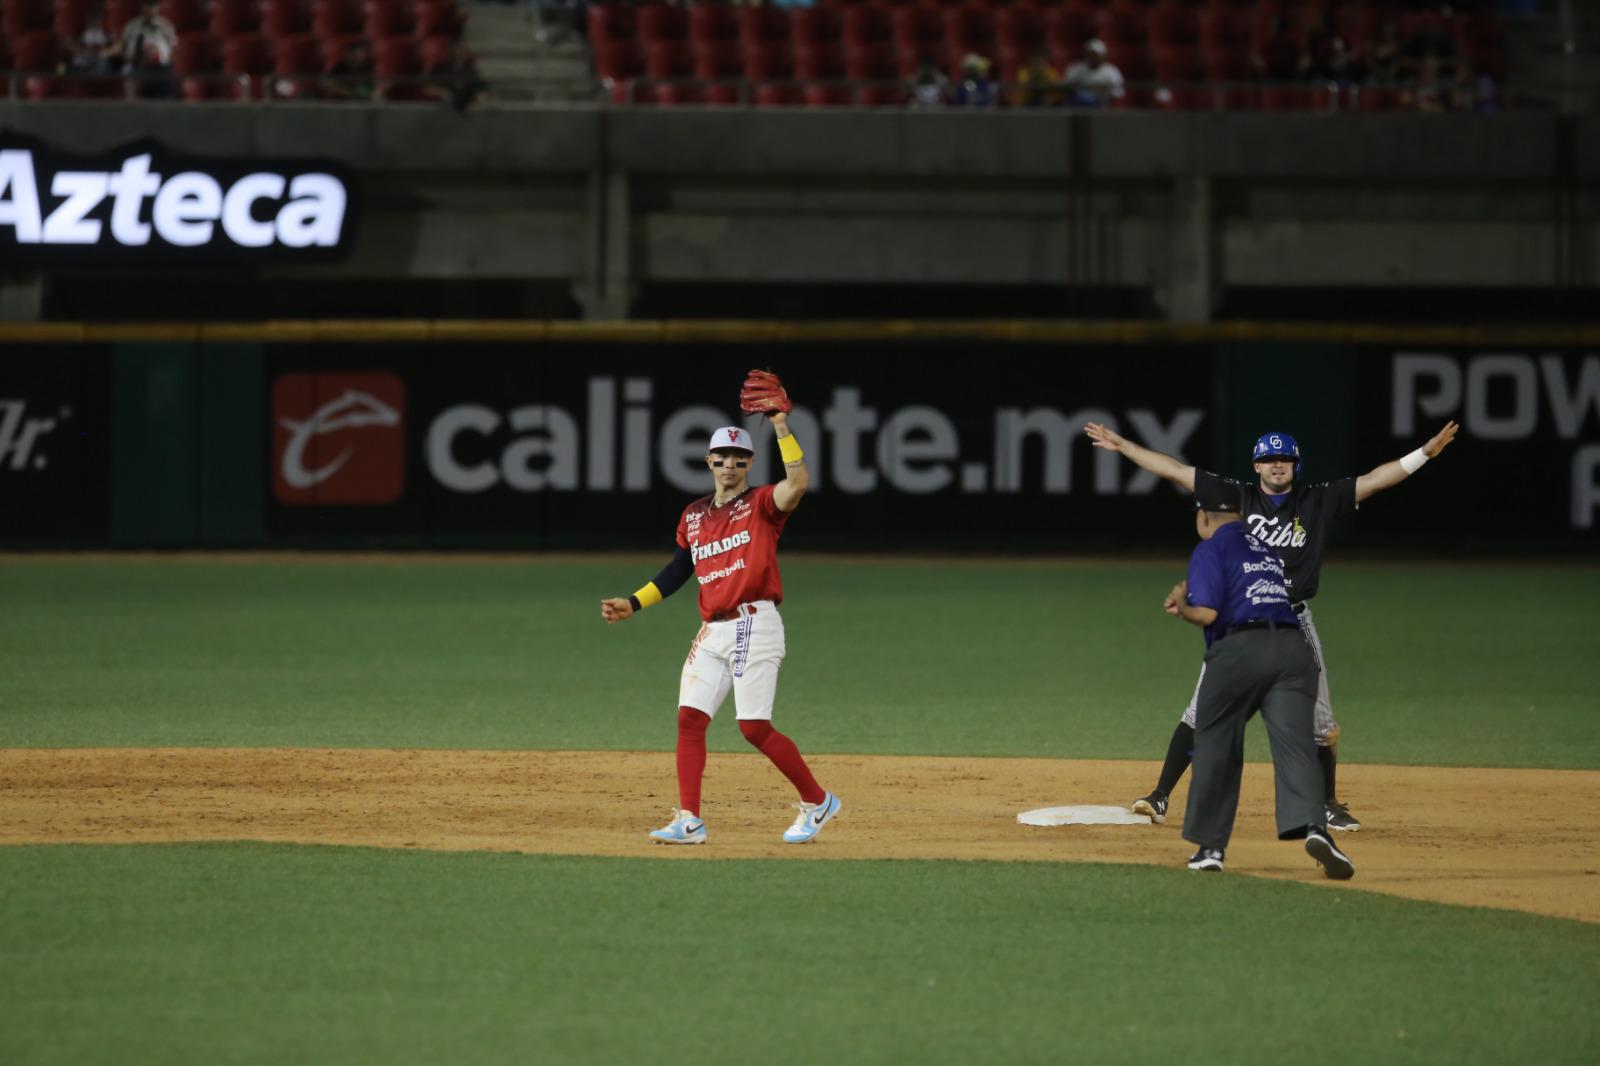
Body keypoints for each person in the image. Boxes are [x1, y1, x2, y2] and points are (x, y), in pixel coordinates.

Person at [1084, 419, 1461, 832]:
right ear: (1256, 466)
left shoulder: (1315, 500)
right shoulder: (1235, 495)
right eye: (1269, 459)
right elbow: (1173, 469)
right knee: (1200, 711)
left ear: (1295, 466)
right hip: (1239, 621)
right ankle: (1159, 795)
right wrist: (1123, 445)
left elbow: (1375, 480)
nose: (1277, 465)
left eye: (1285, 459)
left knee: (1321, 721)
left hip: (1295, 620)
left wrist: (1424, 453)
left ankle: (1328, 803)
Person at [600, 370, 842, 846]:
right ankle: (689, 820)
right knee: (689, 718)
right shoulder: (693, 515)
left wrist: (779, 427)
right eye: (722, 457)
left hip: (755, 622)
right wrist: (633, 603)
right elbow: (676, 571)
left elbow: (798, 483)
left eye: (739, 458)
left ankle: (819, 802)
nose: (730, 464)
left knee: (753, 727)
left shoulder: (762, 506)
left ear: (749, 465)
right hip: (711, 630)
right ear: (709, 461)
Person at [1166, 478, 1355, 879]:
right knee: (1296, 746)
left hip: (1241, 651)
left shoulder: (1211, 547)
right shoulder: (1267, 546)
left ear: (1204, 518)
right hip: (1293, 650)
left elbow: (1210, 614)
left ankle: (1210, 848)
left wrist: (1183, 606)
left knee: (1216, 741)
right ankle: (1316, 828)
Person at [119, 0, 177, 98]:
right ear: (142, 7)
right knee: (127, 73)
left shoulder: (165, 25)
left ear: (158, 7)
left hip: (161, 68)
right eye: (148, 5)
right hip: (136, 65)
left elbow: (173, 49)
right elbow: (123, 48)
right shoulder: (131, 26)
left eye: (153, 5)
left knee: (170, 79)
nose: (150, 9)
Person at [1062, 38, 1123, 108]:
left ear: (1103, 55)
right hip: (1077, 108)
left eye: (1096, 55)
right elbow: (1066, 90)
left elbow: (1116, 95)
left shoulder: (1112, 71)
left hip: (1101, 108)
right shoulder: (1075, 69)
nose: (1093, 58)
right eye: (1090, 54)